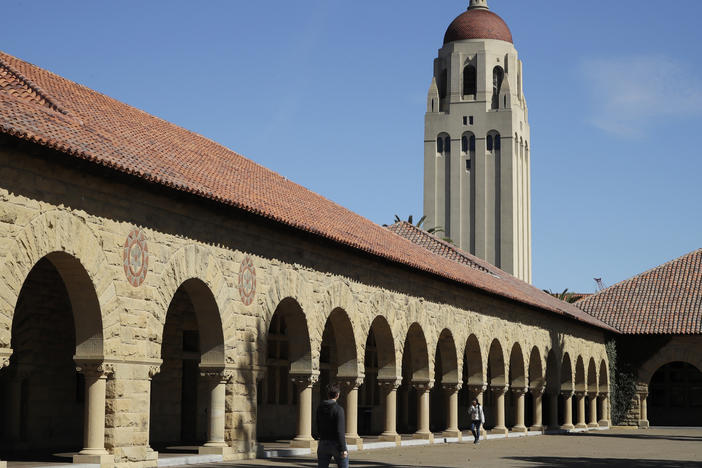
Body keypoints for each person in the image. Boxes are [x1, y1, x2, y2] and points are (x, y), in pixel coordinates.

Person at [316, 383, 348, 468]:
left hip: (323, 442)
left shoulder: (320, 407)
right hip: (336, 444)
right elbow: (340, 430)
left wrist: (321, 437)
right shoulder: (339, 409)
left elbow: (318, 424)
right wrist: (343, 448)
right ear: (338, 395)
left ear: (328, 395)